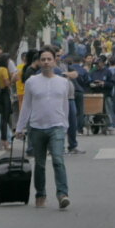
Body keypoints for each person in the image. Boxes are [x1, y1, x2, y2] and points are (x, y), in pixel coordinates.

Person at [15, 49, 71, 209]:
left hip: (57, 126)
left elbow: (65, 105)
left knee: (58, 160)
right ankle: (41, 194)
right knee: (39, 164)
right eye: (43, 59)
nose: (46, 62)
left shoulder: (63, 82)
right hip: (36, 127)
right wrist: (20, 127)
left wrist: (65, 125)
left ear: (54, 61)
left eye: (49, 59)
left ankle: (62, 194)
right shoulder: (32, 81)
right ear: (39, 62)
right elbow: (26, 106)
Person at [0, 53, 15, 151]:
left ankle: (3, 141)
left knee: (3, 119)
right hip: (5, 93)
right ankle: (5, 141)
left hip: (0, 94)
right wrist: (13, 80)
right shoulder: (4, 70)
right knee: (5, 119)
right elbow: (6, 82)